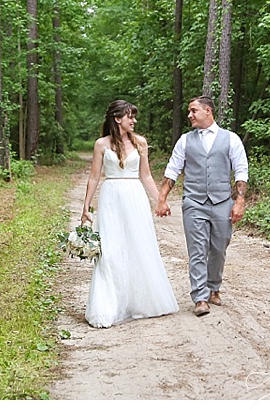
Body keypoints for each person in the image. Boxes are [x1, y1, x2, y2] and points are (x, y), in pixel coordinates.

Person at [81, 100, 179, 328]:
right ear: (117, 119)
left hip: (134, 196)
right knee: (111, 250)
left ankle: (141, 301)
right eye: (129, 116)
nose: (134, 120)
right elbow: (95, 177)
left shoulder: (140, 142)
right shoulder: (101, 145)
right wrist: (86, 206)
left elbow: (145, 176)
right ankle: (108, 305)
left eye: (134, 116)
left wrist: (160, 201)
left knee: (139, 246)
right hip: (111, 197)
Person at [155, 96, 248, 317]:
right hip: (194, 202)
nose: (189, 115)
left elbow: (241, 170)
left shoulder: (231, 139)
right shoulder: (185, 141)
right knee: (197, 249)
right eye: (189, 111)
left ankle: (214, 286)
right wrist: (162, 198)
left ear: (208, 111)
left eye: (193, 111)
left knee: (218, 248)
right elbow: (173, 170)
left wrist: (239, 201)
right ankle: (200, 296)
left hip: (222, 202)